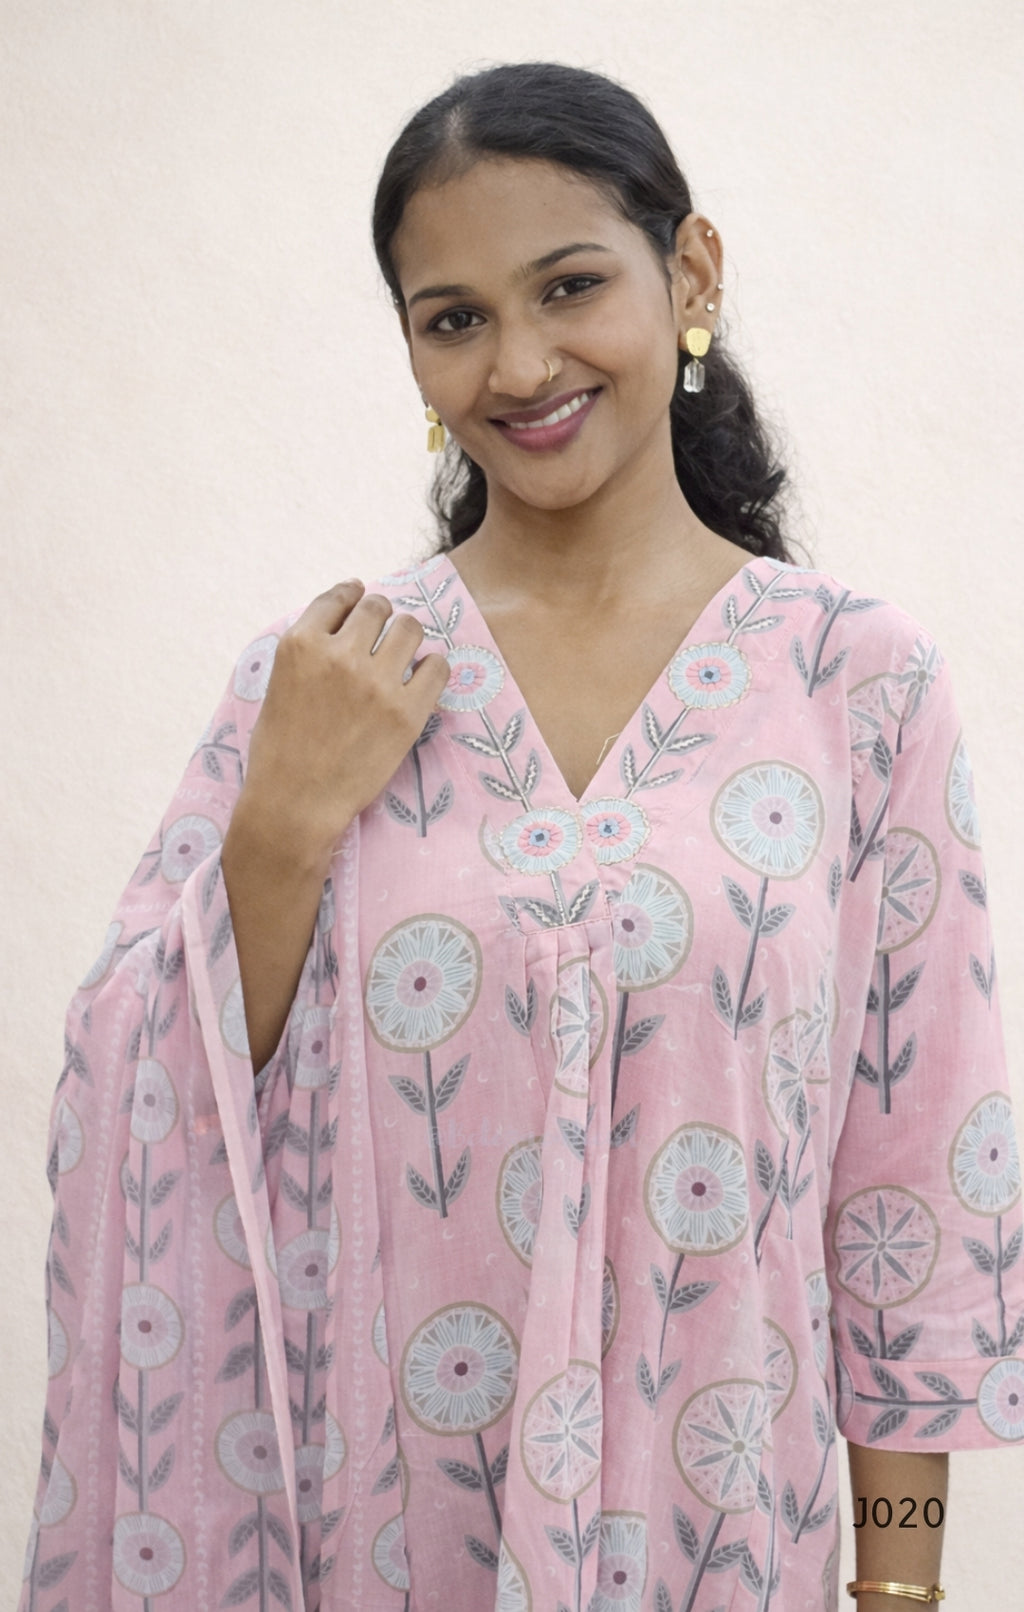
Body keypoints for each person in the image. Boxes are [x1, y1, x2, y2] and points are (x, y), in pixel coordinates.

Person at [19, 59, 1024, 1612]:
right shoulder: (333, 678)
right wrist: (284, 816)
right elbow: (141, 1088)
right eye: (455, 317)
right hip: (383, 1540)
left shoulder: (856, 682)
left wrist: (901, 1595)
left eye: (569, 286)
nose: (521, 362)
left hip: (723, 1546)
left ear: (688, 273)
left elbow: (908, 1198)